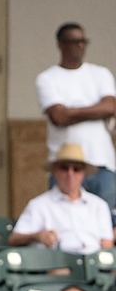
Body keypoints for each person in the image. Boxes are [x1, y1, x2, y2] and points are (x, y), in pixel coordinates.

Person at [35, 23, 116, 214]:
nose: (80, 46)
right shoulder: (47, 78)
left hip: (101, 164)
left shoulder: (100, 74)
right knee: (64, 222)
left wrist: (71, 110)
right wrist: (97, 110)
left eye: (83, 41)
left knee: (107, 227)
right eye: (74, 42)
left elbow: (111, 106)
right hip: (66, 166)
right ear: (61, 45)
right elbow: (59, 117)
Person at [8, 145, 114, 253]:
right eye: (64, 168)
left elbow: (107, 243)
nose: (70, 174)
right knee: (59, 269)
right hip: (58, 261)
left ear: (83, 173)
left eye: (76, 169)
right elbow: (14, 238)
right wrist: (37, 235)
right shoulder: (39, 204)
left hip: (94, 261)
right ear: (55, 171)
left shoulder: (99, 205)